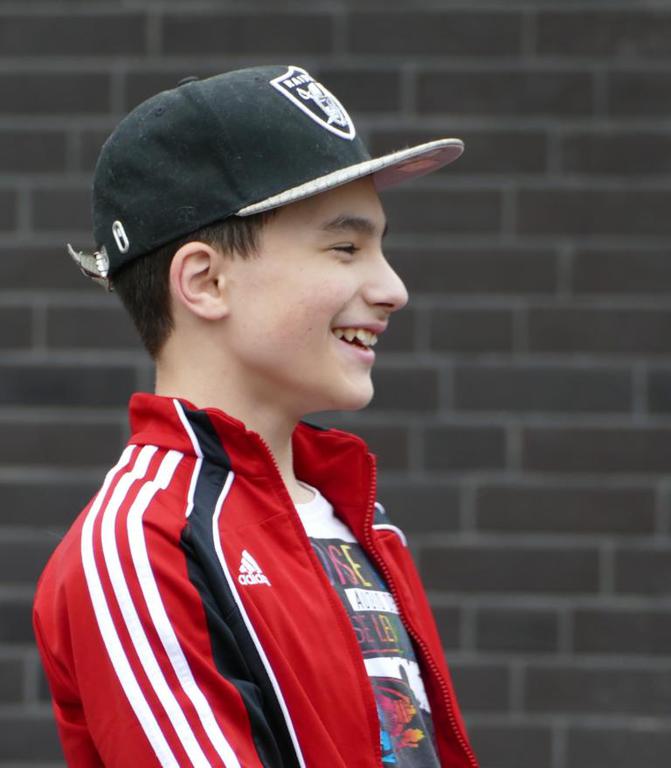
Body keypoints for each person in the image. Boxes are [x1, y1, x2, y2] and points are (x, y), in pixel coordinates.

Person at [32, 64, 479, 768]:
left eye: (380, 247)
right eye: (345, 247)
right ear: (206, 281)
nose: (392, 287)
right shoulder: (143, 546)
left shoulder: (354, 512)